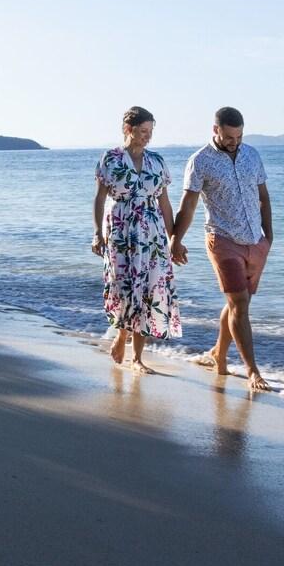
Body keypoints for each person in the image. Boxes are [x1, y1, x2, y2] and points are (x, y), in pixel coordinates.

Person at [175, 106, 274, 392]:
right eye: (230, 136)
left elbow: (263, 197)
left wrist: (270, 236)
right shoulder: (200, 161)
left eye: (240, 135)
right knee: (239, 305)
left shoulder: (252, 155)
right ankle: (252, 371)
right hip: (222, 240)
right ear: (215, 130)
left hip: (255, 241)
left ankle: (218, 353)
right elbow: (189, 205)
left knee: (238, 303)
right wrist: (175, 239)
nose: (235, 141)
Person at [90, 106, 187, 372]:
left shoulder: (157, 161)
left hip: (152, 234)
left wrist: (174, 240)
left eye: (150, 132)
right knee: (123, 288)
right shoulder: (110, 159)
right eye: (143, 131)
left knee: (149, 290)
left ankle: (138, 358)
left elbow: (165, 205)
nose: (147, 137)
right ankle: (122, 335)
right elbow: (100, 199)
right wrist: (97, 233)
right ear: (128, 130)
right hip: (121, 231)